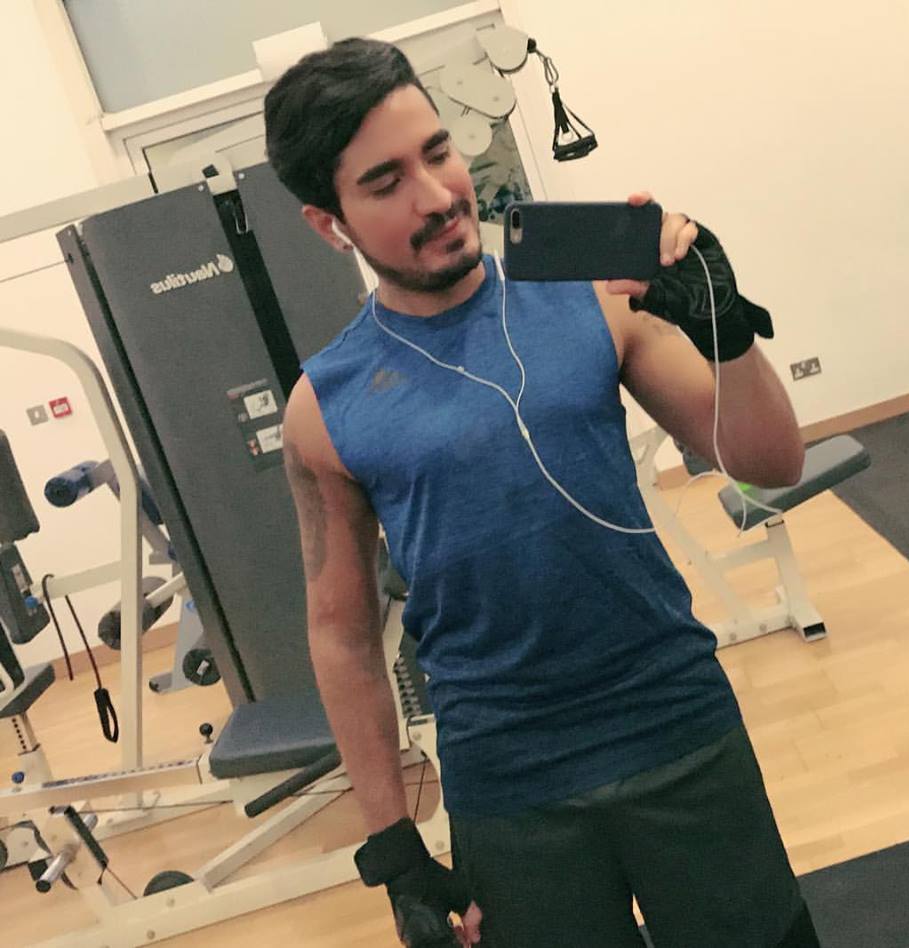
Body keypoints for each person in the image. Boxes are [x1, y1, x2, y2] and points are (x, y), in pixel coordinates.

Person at [265, 36, 821, 948]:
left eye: (437, 152)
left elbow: (772, 461)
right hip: (509, 781)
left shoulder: (594, 296)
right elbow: (341, 634)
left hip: (676, 724)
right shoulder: (323, 408)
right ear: (330, 223)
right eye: (386, 182)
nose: (437, 195)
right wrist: (394, 851)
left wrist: (725, 328)